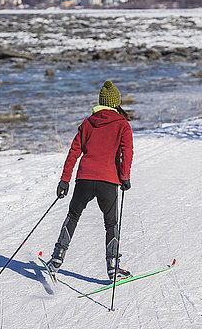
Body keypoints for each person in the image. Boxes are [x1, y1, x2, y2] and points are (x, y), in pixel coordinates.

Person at [47, 80, 134, 282]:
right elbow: (126, 153)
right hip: (108, 181)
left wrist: (64, 180)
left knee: (73, 216)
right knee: (111, 223)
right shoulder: (123, 125)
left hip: (84, 179)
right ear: (116, 103)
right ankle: (113, 267)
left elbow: (73, 152)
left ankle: (56, 259)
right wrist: (125, 177)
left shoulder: (87, 123)